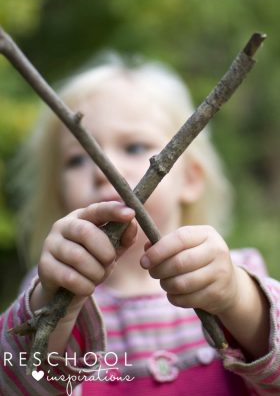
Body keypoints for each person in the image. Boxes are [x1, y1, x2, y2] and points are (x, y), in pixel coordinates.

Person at [1, 56, 279, 395]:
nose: (105, 170)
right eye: (77, 159)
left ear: (191, 178)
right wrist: (58, 305)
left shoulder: (234, 276)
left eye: (134, 146)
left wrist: (237, 298)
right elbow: (18, 384)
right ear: (58, 194)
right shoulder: (47, 290)